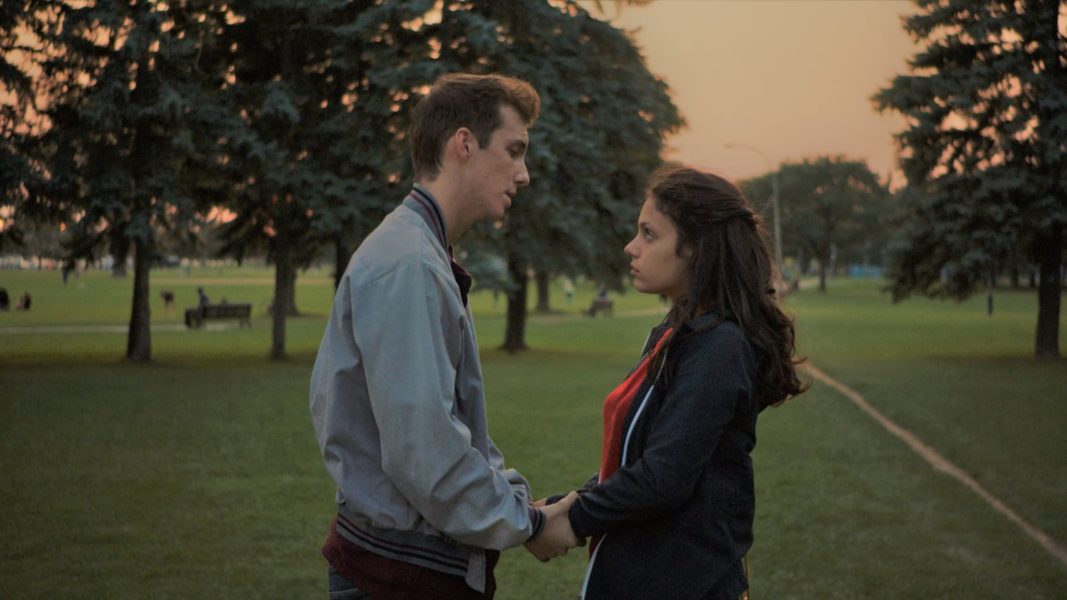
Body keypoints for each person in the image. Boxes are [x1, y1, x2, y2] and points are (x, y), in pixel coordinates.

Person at [309, 73, 579, 600]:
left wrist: (519, 506)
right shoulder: (409, 264)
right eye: (514, 150)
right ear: (464, 144)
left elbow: (451, 429)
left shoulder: (422, 252)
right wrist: (528, 523)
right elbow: (425, 454)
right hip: (396, 578)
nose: (523, 174)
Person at [545, 166, 806, 599]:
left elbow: (663, 478)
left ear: (698, 249)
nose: (631, 247)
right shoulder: (678, 333)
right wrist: (569, 503)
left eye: (649, 234)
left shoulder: (720, 347)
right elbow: (643, 455)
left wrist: (573, 519)